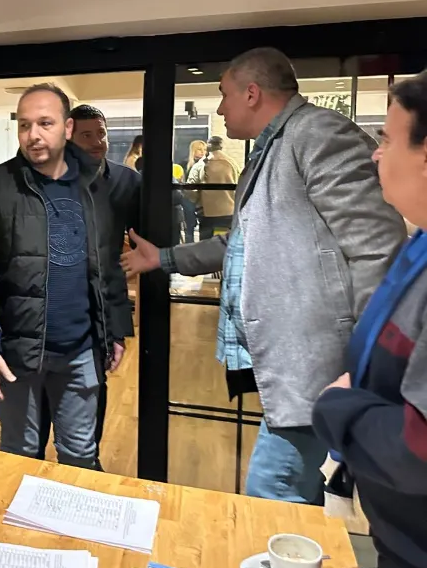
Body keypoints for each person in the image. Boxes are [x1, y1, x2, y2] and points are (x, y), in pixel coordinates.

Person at [122, 47, 407, 504]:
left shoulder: (317, 133)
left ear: (251, 93)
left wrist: (367, 362)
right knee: (287, 491)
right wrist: (164, 259)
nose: (220, 108)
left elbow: (376, 249)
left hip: (318, 367)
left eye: (224, 95)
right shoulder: (272, 147)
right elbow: (239, 245)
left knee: (274, 490)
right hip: (294, 366)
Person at [0, 84, 124, 472]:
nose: (33, 134)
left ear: (67, 128)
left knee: (80, 455)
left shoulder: (97, 186)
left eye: (45, 123)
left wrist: (115, 327)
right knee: (19, 454)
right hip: (16, 353)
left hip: (82, 348)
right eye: (24, 124)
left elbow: (107, 264)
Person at [312, 72, 427, 568]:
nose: (376, 154)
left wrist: (340, 408)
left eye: (387, 138)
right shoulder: (420, 242)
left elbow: (417, 450)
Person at [32, 104, 139, 466]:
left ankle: (84, 472)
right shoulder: (44, 182)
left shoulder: (127, 183)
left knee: (89, 407)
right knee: (34, 417)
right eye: (87, 135)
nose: (97, 142)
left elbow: (144, 245)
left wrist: (118, 328)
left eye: (102, 133)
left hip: (96, 316)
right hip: (43, 315)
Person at [184, 136, 241, 240]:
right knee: (225, 243)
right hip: (229, 212)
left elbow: (191, 189)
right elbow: (240, 184)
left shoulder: (200, 165)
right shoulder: (232, 163)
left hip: (207, 213)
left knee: (206, 244)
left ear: (208, 147)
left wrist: (197, 202)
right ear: (221, 146)